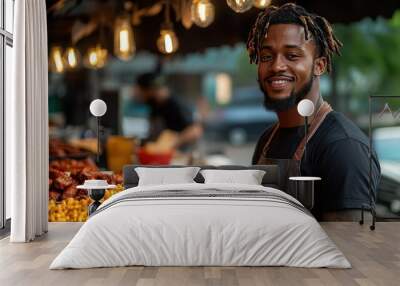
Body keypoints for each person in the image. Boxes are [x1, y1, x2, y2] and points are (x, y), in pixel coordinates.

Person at [247, 3, 381, 220]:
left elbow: (351, 248)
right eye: (266, 57)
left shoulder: (343, 147)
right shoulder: (266, 140)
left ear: (319, 65)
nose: (276, 66)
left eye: (292, 56)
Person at [134, 72, 203, 149]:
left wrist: (173, 143)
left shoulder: (176, 105)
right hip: (161, 157)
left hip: (180, 156)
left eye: (141, 92)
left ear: (150, 90)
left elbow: (195, 130)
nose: (139, 95)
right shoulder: (155, 106)